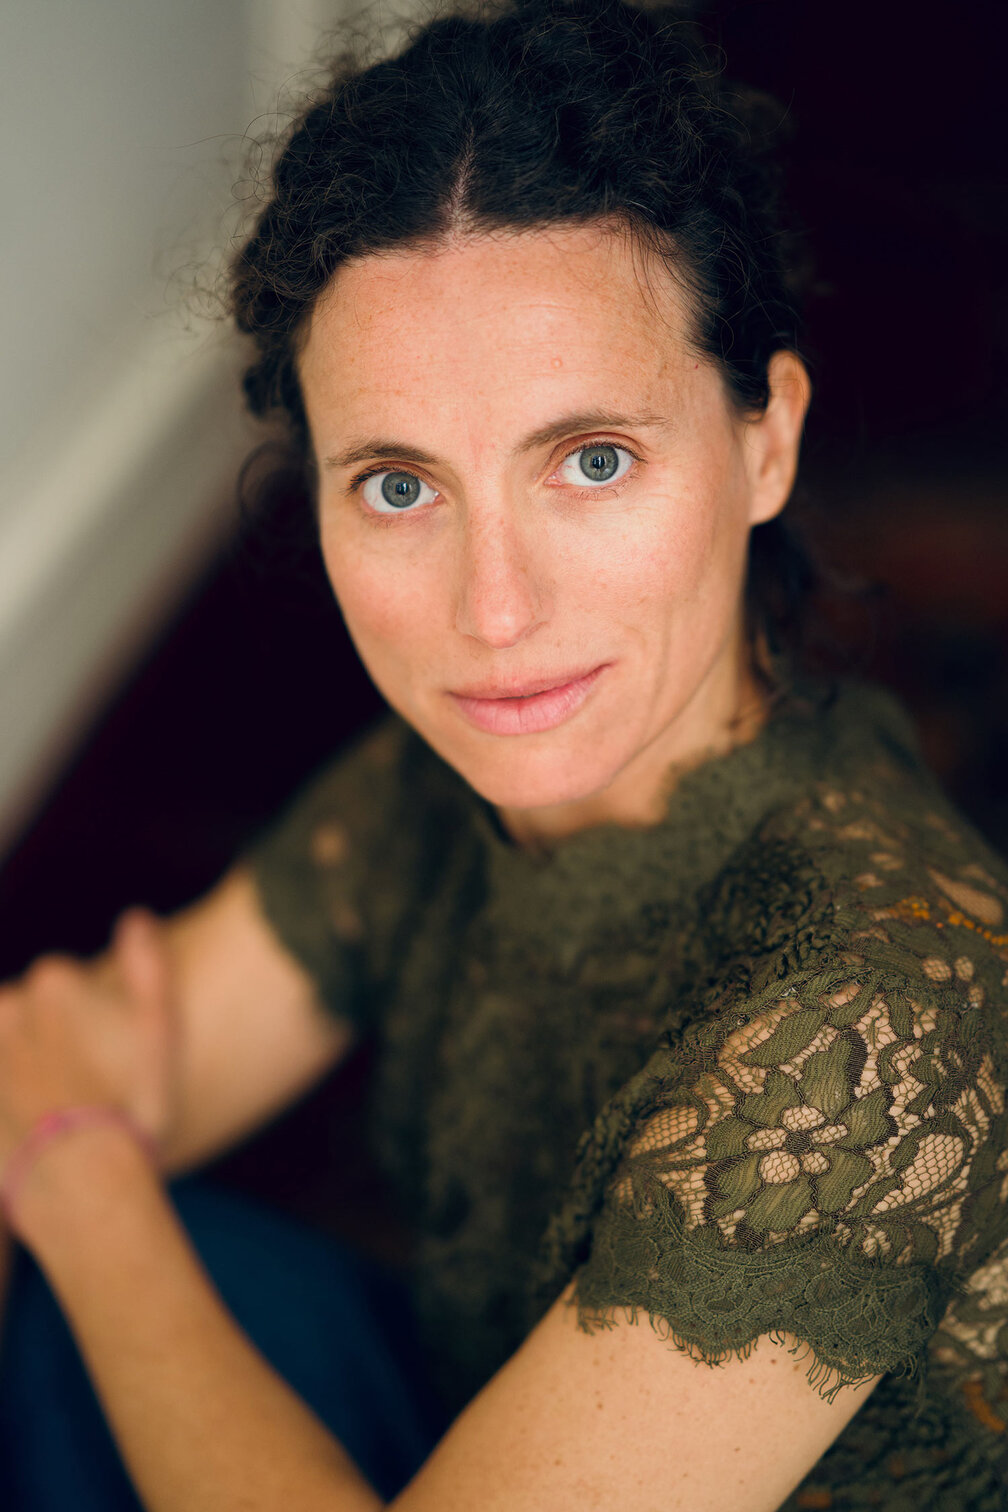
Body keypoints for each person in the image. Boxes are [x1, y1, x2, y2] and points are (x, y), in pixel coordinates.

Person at [1, 0, 1007, 1506]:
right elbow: (52, 1068)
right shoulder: (443, 787)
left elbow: (65, 1124)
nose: (493, 613)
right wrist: (63, 1150)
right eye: (399, 486)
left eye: (592, 460)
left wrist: (87, 1193)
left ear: (767, 441)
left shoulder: (872, 1033)